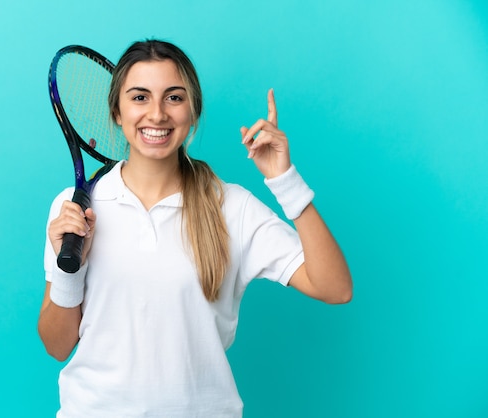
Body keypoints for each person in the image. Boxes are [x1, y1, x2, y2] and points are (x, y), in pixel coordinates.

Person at [38, 39, 352, 418]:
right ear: (117, 112)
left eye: (174, 98)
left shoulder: (231, 207)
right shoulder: (73, 209)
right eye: (139, 97)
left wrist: (284, 180)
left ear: (193, 112)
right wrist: (70, 269)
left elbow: (335, 287)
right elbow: (57, 345)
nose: (156, 114)